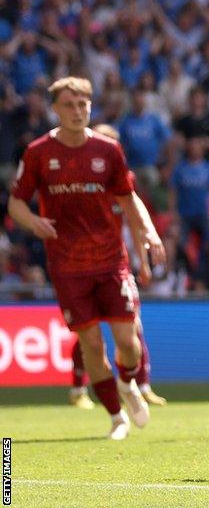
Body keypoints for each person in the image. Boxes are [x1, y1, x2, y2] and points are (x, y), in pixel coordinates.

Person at [8, 77, 165, 439]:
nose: (77, 112)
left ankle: (127, 383)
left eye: (83, 105)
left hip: (111, 261)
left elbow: (128, 198)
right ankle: (115, 417)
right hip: (67, 266)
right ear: (55, 109)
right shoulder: (38, 153)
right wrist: (33, 222)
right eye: (68, 105)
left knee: (129, 343)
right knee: (91, 344)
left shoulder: (108, 150)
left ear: (90, 107)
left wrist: (148, 230)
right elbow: (16, 202)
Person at [69, 123, 167, 409]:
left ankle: (140, 384)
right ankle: (77, 388)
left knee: (133, 324)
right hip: (84, 265)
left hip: (116, 265)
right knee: (90, 333)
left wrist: (143, 261)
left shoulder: (125, 179)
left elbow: (134, 222)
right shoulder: (80, 180)